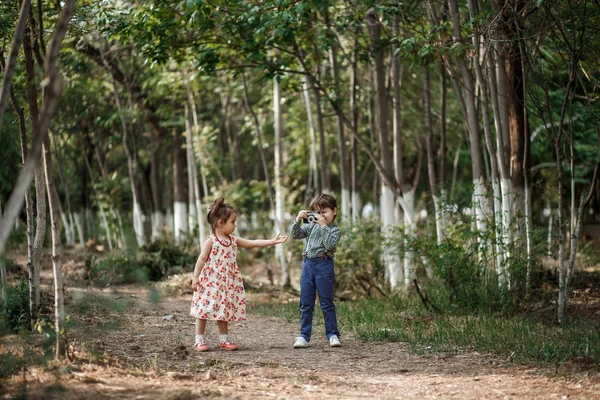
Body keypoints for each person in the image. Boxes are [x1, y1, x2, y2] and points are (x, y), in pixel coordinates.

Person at [190, 197, 288, 351]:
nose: (235, 225)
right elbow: (201, 259)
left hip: (226, 284)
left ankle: (224, 340)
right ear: (220, 223)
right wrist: (195, 277)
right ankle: (198, 340)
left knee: (223, 310)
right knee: (203, 310)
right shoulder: (211, 241)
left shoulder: (233, 240)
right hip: (210, 282)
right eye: (233, 222)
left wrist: (272, 241)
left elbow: (253, 242)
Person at [290, 193, 342, 348]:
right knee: (305, 302)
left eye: (324, 212)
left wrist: (323, 225)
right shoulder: (311, 226)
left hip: (324, 264)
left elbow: (330, 246)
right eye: (317, 212)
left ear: (334, 211)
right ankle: (304, 336)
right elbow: (296, 234)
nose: (321, 216)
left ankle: (332, 334)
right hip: (308, 264)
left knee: (326, 302)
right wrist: (298, 219)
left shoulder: (334, 230)